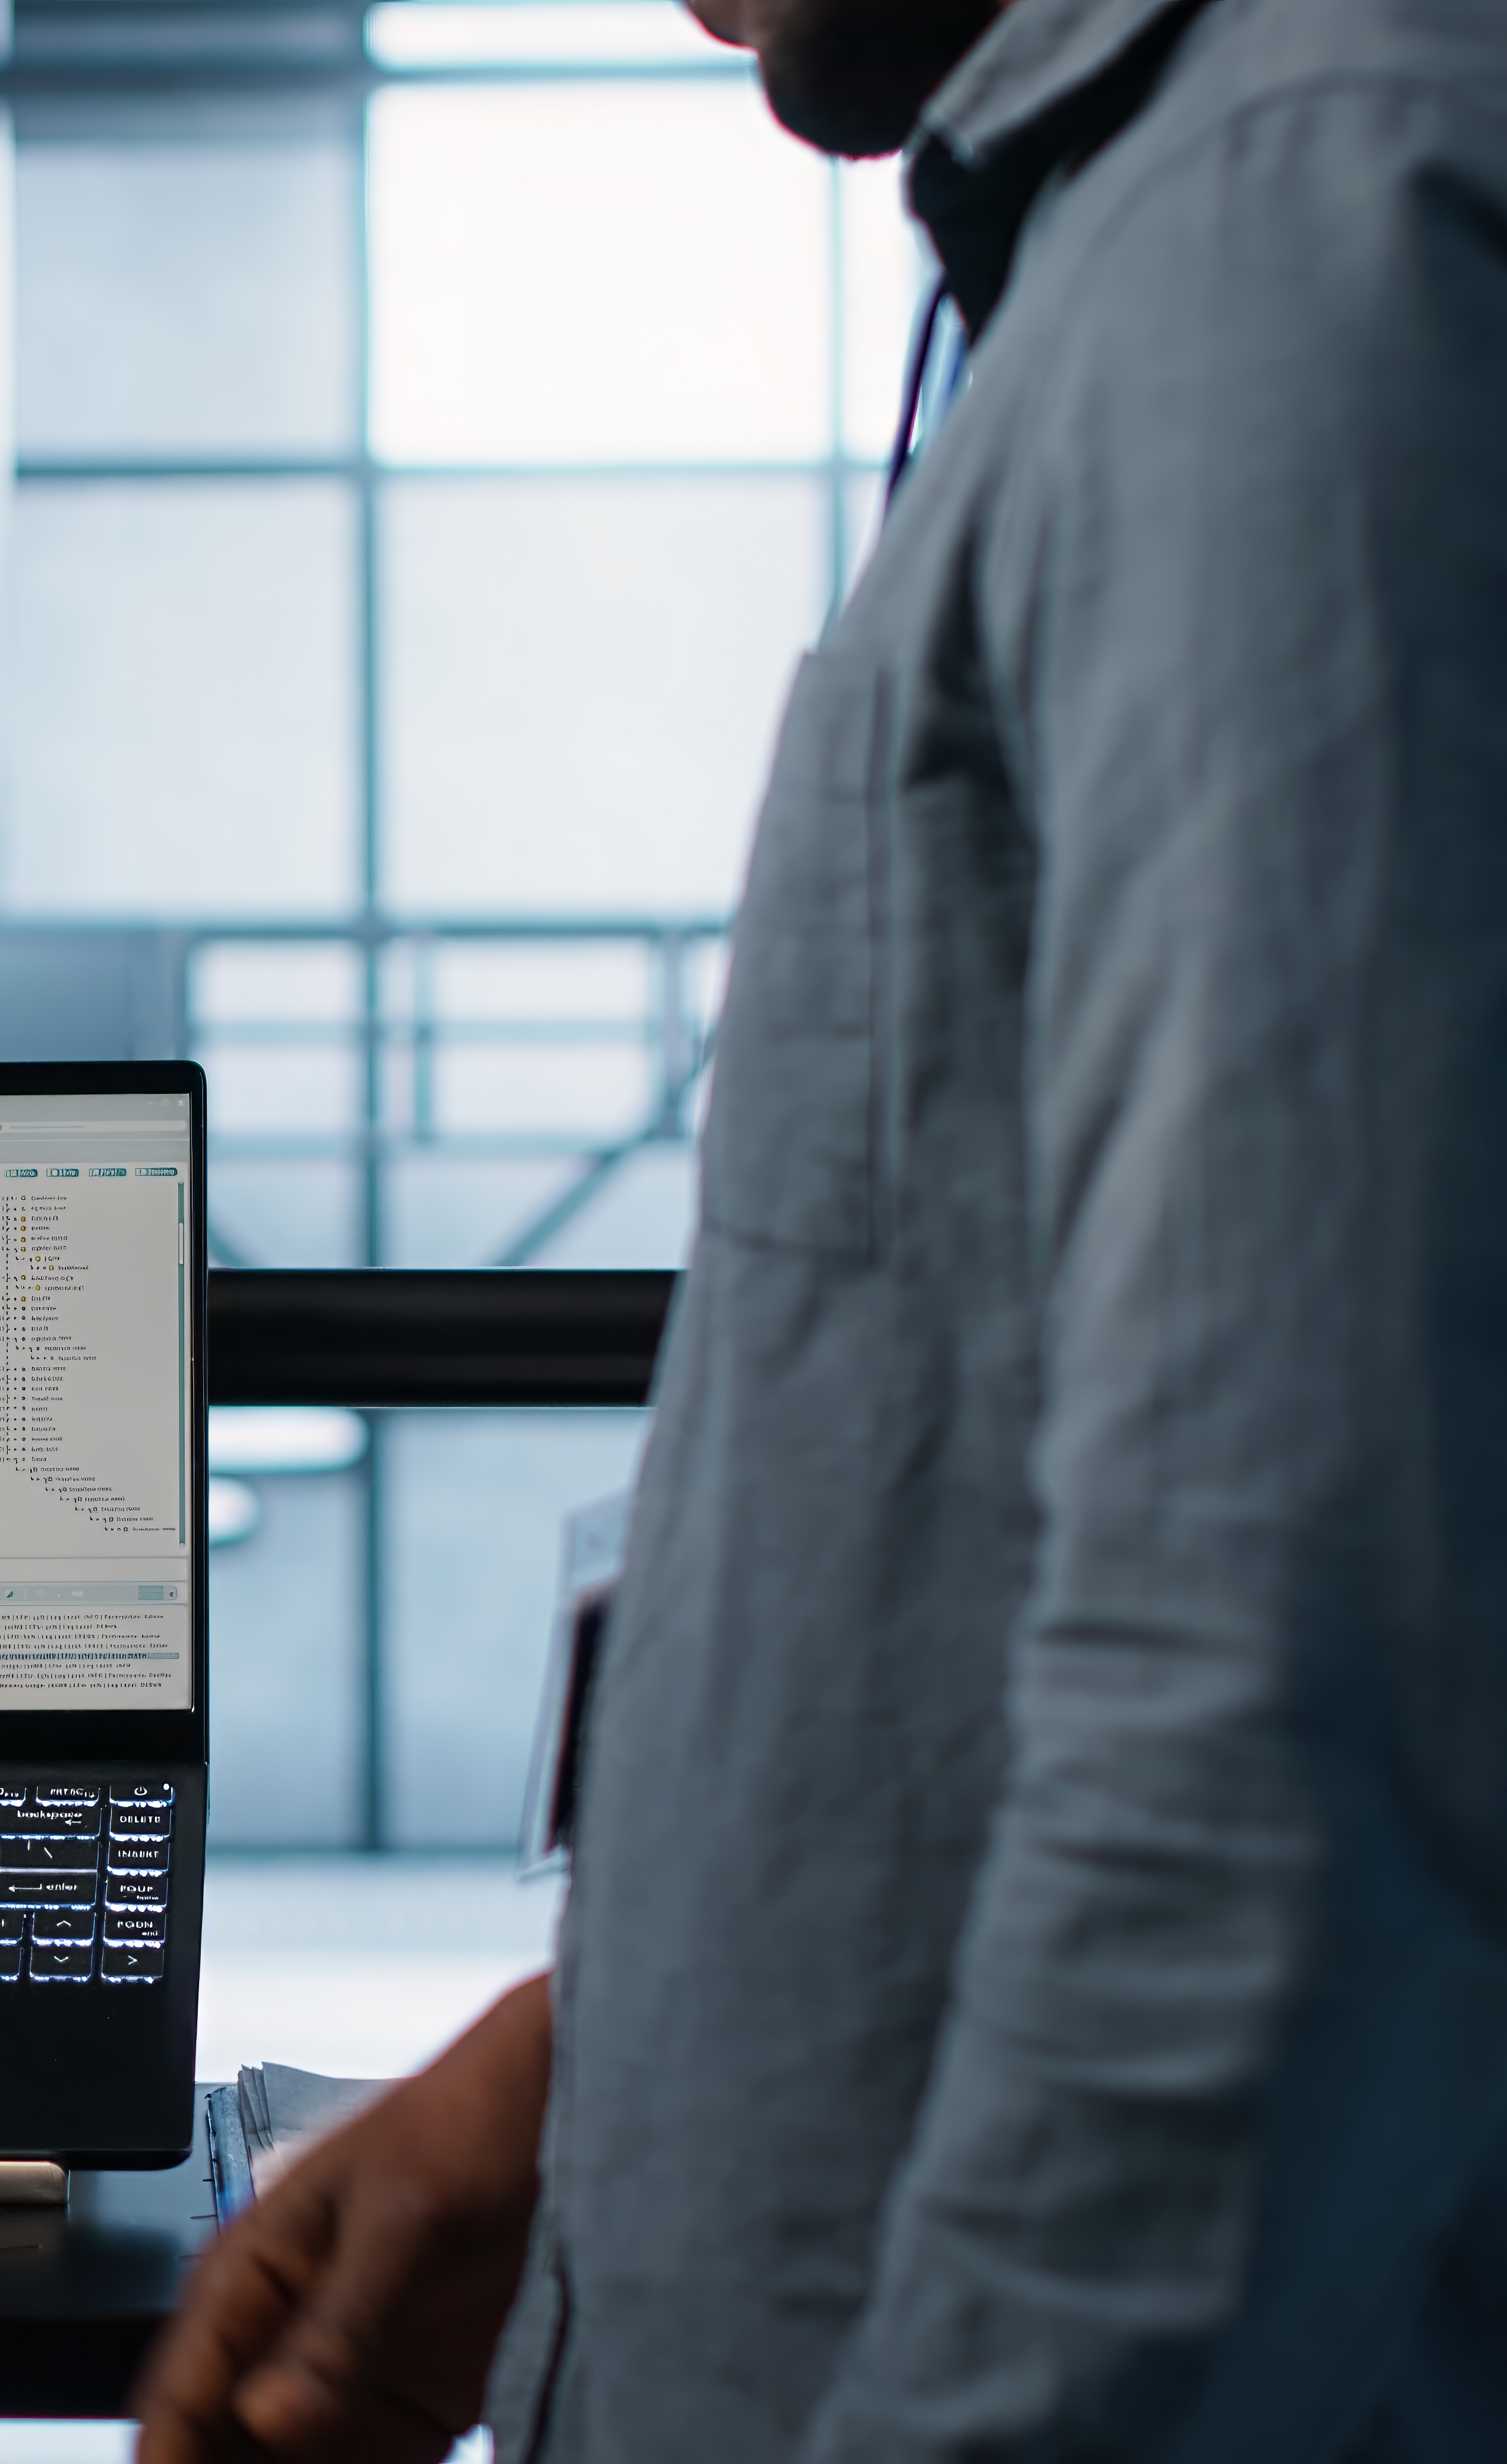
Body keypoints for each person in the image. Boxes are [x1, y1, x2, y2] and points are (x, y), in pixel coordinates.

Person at [135, 0, 1507, 2450]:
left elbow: (1275, 1761)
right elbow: (976, 1470)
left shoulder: (1284, 245)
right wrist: (581, 2070)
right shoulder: (1134, 246)